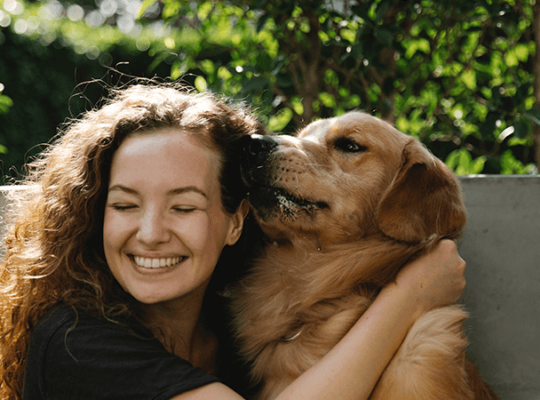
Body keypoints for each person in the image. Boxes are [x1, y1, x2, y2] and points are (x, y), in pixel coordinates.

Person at [0, 82, 467, 400]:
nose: (151, 234)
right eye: (124, 206)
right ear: (94, 215)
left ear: (237, 222)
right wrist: (408, 297)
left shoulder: (238, 329)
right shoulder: (78, 343)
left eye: (183, 207)